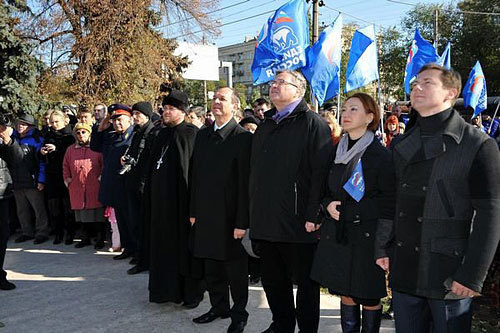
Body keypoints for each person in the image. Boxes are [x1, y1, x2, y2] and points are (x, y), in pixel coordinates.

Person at [376, 63, 500, 332]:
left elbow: (491, 214)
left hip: (448, 271)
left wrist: (472, 275)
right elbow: (391, 201)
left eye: (427, 82)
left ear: (450, 93)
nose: (417, 87)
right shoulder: (401, 144)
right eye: (414, 84)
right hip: (405, 266)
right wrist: (382, 246)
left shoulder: (478, 145)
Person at [249, 70, 333, 333]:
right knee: (274, 281)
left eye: (281, 82)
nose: (274, 86)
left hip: (299, 222)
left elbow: (321, 173)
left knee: (306, 286)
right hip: (266, 219)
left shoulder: (312, 123)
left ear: (299, 90)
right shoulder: (267, 124)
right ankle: (281, 325)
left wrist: (314, 214)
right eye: (272, 82)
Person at [311, 93, 396, 332]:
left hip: (367, 235)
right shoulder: (335, 150)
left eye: (353, 110)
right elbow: (325, 188)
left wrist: (351, 212)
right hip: (339, 233)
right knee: (345, 291)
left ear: (370, 117)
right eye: (345, 109)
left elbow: (388, 201)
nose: (345, 115)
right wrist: (327, 204)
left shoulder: (380, 155)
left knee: (368, 295)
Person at [190, 87, 252, 333]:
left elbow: (246, 183)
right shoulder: (203, 135)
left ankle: (239, 314)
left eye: (222, 99)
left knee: (235, 270)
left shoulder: (242, 138)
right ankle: (219, 307)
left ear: (235, 106)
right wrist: (193, 210)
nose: (216, 102)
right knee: (211, 265)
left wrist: (241, 221)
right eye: (214, 98)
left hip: (231, 217)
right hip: (205, 214)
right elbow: (195, 176)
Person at [147, 90, 203, 308]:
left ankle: (191, 294)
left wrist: (194, 209)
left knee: (184, 252)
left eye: (171, 109)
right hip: (162, 206)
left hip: (182, 206)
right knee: (163, 249)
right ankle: (164, 291)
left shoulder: (191, 134)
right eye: (165, 108)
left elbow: (196, 174)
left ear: (182, 111)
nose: (166, 112)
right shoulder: (161, 134)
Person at [90, 104, 134, 259]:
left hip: (127, 185)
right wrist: (100, 128)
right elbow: (95, 147)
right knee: (121, 220)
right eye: (114, 120)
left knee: (131, 221)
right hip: (114, 185)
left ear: (130, 120)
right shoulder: (111, 136)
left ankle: (135, 250)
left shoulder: (134, 136)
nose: (117, 123)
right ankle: (127, 249)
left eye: (120, 120)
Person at [122, 101, 157, 274]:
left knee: (145, 225)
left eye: (138, 114)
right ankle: (138, 254)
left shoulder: (152, 132)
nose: (134, 117)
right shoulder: (136, 132)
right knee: (135, 221)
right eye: (133, 114)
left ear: (147, 115)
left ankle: (146, 259)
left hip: (145, 185)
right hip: (133, 182)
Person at [63, 122, 105, 249]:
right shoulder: (70, 150)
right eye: (78, 132)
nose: (81, 135)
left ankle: (100, 238)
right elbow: (65, 165)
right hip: (77, 186)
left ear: (89, 133)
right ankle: (85, 238)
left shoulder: (97, 148)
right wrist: (67, 179)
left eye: (84, 132)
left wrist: (101, 177)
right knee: (82, 215)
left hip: (94, 186)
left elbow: (104, 163)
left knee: (97, 215)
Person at [10, 113, 50, 244]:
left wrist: (41, 180)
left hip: (33, 180)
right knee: (21, 209)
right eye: (19, 123)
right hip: (16, 180)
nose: (20, 126)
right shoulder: (12, 138)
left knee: (38, 209)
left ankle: (42, 232)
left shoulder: (37, 139)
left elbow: (42, 162)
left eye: (23, 124)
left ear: (30, 126)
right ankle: (26, 232)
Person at [42, 110, 76, 244]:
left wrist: (57, 149)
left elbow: (70, 155)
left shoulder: (69, 136)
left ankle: (70, 233)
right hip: (52, 174)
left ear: (64, 121)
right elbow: (41, 157)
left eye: (57, 122)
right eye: (52, 122)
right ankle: (58, 232)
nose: (54, 125)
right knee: (54, 206)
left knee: (67, 206)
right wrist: (42, 152)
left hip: (65, 174)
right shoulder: (48, 135)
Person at [0, 116, 24, 290]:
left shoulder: (3, 140)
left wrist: (7, 138)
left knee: (2, 236)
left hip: (1, 194)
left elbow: (17, 159)